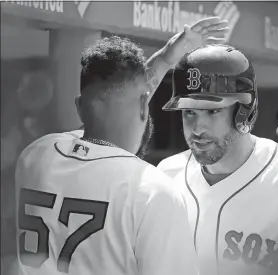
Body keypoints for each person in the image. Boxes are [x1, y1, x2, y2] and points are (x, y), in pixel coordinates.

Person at [14, 17, 229, 275]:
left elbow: (108, 108)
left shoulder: (36, 155)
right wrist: (164, 61)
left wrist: (163, 61)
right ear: (143, 107)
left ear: (80, 108)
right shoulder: (152, 190)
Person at [157, 44, 278, 275]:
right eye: (189, 111)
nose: (197, 128)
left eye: (213, 111)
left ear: (244, 110)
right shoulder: (166, 174)